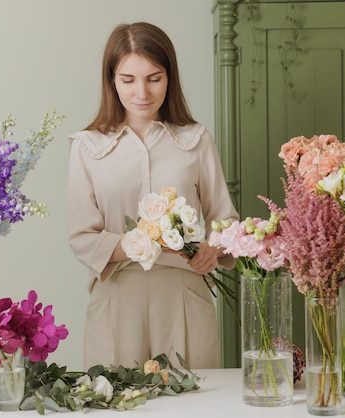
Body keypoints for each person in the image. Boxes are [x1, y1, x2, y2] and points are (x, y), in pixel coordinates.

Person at [67, 22, 239, 370]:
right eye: (128, 80)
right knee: (116, 402)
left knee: (196, 400)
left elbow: (226, 219)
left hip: (184, 295)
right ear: (111, 80)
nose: (141, 92)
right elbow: (82, 236)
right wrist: (138, 242)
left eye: (154, 78)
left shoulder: (196, 140)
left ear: (169, 77)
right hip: (116, 295)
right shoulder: (87, 147)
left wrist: (212, 248)